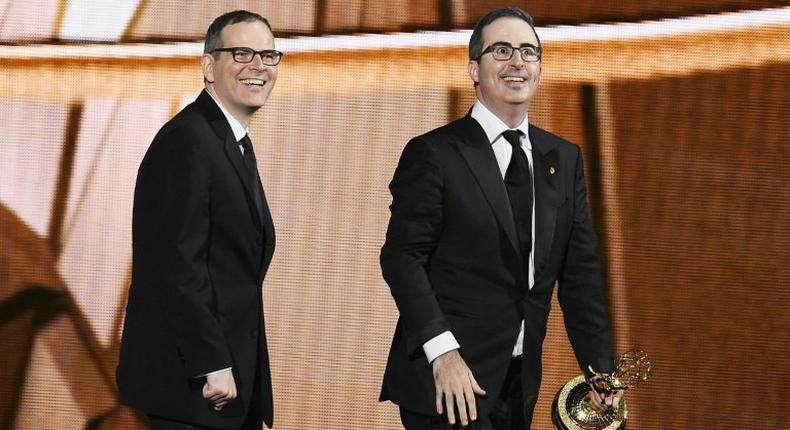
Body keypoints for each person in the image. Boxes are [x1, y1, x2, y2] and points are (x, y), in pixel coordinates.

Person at [380, 7, 623, 429]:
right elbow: (402, 259)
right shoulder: (435, 153)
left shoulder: (563, 160)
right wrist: (443, 353)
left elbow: (580, 274)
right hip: (449, 384)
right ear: (474, 69)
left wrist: (599, 369)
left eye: (529, 52)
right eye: (502, 50)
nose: (517, 62)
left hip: (518, 382)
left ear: (539, 69)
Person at [116, 10, 281, 430]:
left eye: (268, 55)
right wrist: (211, 362)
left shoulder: (229, 143)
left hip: (230, 384)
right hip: (195, 388)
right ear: (209, 66)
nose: (258, 66)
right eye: (242, 53)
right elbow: (174, 266)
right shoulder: (187, 141)